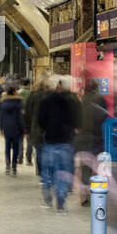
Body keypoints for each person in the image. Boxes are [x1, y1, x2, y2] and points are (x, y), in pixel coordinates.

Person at [37, 76, 79, 211]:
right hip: (66, 141)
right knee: (62, 172)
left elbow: (41, 120)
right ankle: (61, 203)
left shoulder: (46, 101)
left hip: (49, 141)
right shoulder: (72, 101)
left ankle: (47, 199)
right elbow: (76, 121)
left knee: (47, 172)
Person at [0, 85, 26, 175]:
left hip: (7, 128)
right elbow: (20, 118)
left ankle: (7, 166)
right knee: (15, 148)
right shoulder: (18, 104)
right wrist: (23, 128)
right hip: (16, 128)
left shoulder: (3, 104)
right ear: (14, 92)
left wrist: (0, 128)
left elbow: (1, 117)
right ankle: (14, 166)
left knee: (7, 147)